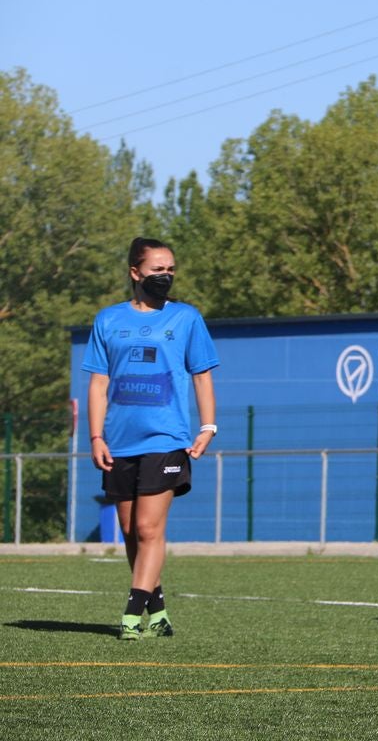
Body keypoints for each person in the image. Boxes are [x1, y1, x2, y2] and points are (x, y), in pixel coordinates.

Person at [84, 237, 220, 640]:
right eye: (157, 269)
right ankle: (157, 611)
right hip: (119, 440)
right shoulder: (107, 320)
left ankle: (131, 613)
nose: (165, 276)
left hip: (167, 438)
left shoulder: (187, 318)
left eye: (170, 269)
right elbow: (97, 383)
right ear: (135, 272)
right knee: (129, 530)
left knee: (148, 529)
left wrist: (208, 427)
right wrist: (95, 436)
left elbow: (202, 375)